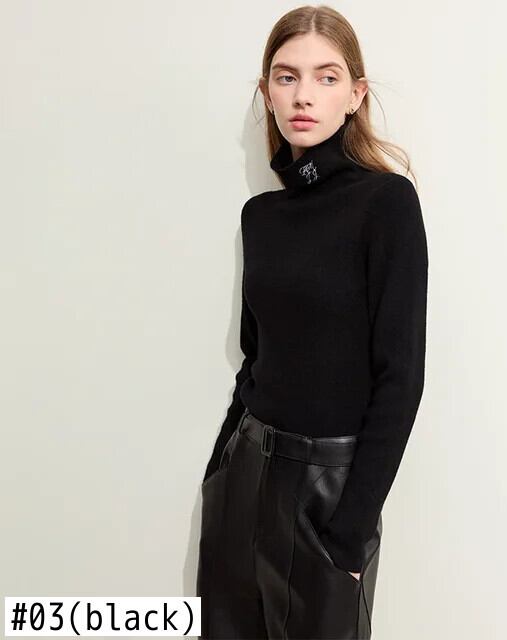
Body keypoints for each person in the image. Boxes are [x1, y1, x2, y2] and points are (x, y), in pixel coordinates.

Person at [196, 6, 428, 639]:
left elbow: (401, 376)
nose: (304, 95)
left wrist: (350, 533)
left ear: (355, 95)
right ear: (267, 92)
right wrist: (222, 471)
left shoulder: (385, 203)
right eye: (286, 76)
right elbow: (256, 356)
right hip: (245, 479)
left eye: (327, 78)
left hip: (329, 495)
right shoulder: (261, 216)